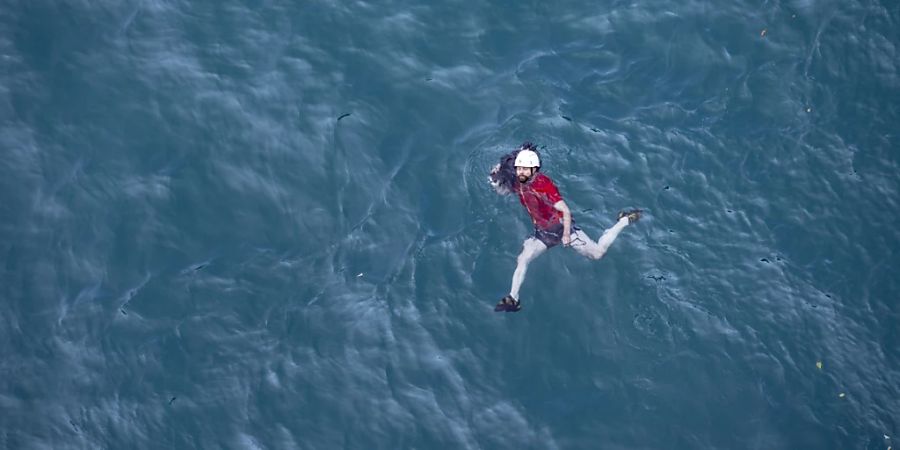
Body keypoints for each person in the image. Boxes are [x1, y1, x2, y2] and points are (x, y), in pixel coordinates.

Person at [489, 143, 642, 312]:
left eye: (525, 169)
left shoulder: (544, 185)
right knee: (522, 259)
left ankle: (624, 221)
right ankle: (513, 299)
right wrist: (496, 175)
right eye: (519, 169)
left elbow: (566, 211)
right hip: (543, 232)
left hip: (562, 228)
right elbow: (502, 189)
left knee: (598, 253)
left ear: (534, 170)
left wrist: (567, 235)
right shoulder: (517, 180)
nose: (521, 173)